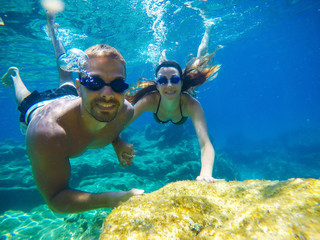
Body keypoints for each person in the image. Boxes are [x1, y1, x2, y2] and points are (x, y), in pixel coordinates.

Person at [0, 13, 143, 214]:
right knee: (25, 100)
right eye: (94, 83)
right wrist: (112, 199)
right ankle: (15, 76)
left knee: (65, 73)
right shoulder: (48, 133)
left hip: (70, 100)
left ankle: (54, 35)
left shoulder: (124, 112)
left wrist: (117, 142)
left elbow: (111, 124)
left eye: (118, 84)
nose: (108, 94)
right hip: (40, 109)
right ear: (81, 87)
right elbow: (55, 199)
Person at [125, 22, 224, 183]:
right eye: (163, 81)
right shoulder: (150, 100)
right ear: (156, 85)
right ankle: (162, 59)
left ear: (181, 82)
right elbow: (121, 124)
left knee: (199, 62)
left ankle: (208, 28)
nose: (169, 86)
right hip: (160, 96)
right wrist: (118, 142)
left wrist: (206, 173)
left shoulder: (191, 105)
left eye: (175, 80)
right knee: (163, 66)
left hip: (187, 94)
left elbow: (205, 143)